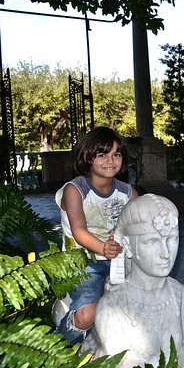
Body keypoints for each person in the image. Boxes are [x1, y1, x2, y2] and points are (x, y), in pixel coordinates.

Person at [82, 194, 184, 368]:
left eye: (172, 239)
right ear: (128, 245)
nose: (166, 253)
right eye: (152, 242)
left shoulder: (179, 294)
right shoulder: (111, 306)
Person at [53, 126, 138, 344]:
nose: (111, 160)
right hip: (83, 262)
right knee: (88, 315)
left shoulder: (128, 193)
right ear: (88, 157)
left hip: (119, 261)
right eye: (102, 154)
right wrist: (102, 248)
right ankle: (54, 349)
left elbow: (139, 228)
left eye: (116, 154)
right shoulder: (75, 190)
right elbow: (79, 230)